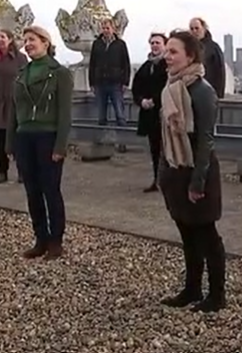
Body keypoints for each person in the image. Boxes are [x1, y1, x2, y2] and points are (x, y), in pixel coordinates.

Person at [156, 30, 226, 312]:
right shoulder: (171, 87)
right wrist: (165, 174)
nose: (167, 56)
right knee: (187, 233)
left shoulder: (203, 91)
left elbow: (205, 140)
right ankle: (192, 288)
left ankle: (217, 295)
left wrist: (197, 183)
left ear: (190, 56)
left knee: (207, 235)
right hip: (175, 171)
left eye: (173, 52)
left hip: (199, 173)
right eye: (167, 51)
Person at [7, 26, 74, 260]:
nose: (28, 44)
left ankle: (56, 241)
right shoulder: (21, 73)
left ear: (46, 42)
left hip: (48, 137)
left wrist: (60, 146)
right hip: (24, 138)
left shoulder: (60, 73)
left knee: (50, 190)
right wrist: (10, 144)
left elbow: (65, 113)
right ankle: (40, 239)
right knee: (32, 191)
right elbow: (13, 112)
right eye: (25, 40)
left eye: (32, 39)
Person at [0, 29, 27, 184]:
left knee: (18, 140)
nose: (0, 40)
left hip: (15, 104)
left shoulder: (20, 59)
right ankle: (3, 172)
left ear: (10, 40)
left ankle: (22, 172)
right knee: (2, 141)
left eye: (3, 37)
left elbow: (26, 80)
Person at [132, 32, 169, 192]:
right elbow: (136, 87)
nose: (154, 45)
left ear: (165, 45)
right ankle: (157, 180)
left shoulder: (168, 65)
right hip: (150, 115)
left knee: (168, 150)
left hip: (165, 113)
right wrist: (141, 101)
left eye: (157, 43)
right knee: (154, 149)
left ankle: (168, 182)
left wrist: (155, 100)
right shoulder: (146, 67)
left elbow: (168, 87)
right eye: (152, 43)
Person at [88, 18, 131, 128]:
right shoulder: (97, 44)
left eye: (107, 28)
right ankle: (101, 140)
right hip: (100, 82)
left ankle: (122, 140)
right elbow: (92, 64)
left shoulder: (120, 44)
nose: (105, 30)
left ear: (113, 29)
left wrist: (126, 82)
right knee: (101, 114)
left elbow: (126, 64)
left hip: (115, 83)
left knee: (119, 114)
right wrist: (91, 83)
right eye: (103, 28)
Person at [188, 17, 226, 98]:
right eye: (192, 29)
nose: (194, 31)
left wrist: (219, 96)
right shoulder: (188, 49)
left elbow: (220, 74)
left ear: (204, 29)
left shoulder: (213, 48)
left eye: (197, 28)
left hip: (208, 94)